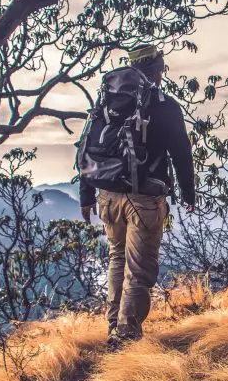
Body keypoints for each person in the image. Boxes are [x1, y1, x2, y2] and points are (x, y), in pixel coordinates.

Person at [78, 44, 196, 348]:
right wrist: (188, 192)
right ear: (156, 70)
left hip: (107, 195)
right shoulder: (163, 105)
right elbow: (181, 151)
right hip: (143, 198)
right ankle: (126, 337)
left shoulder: (108, 102)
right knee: (139, 269)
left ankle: (114, 327)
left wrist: (86, 195)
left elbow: (87, 146)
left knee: (117, 260)